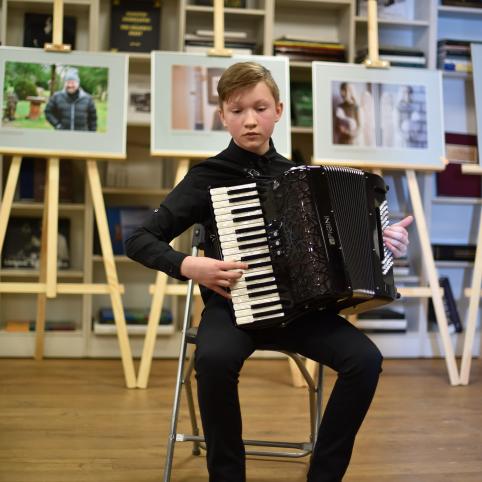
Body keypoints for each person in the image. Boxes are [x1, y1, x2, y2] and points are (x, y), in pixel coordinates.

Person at [125, 62, 413, 482]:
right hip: (232, 310)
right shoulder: (207, 178)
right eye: (237, 110)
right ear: (222, 116)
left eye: (259, 108)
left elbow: (339, 251)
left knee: (365, 361)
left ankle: (324, 475)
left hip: (301, 313)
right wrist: (189, 265)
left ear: (278, 110)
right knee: (214, 360)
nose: (250, 120)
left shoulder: (302, 178)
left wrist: (381, 243)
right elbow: (138, 239)